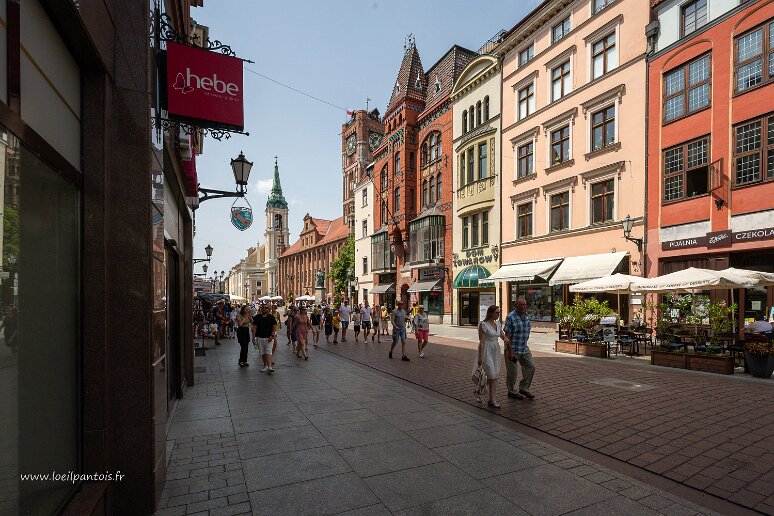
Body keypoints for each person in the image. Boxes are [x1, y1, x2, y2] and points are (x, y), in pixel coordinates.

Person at [503, 297, 536, 400]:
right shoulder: (510, 317)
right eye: (520, 305)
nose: (523, 307)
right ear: (516, 305)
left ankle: (524, 388)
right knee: (512, 372)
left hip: (524, 348)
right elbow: (507, 337)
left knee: (531, 367)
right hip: (512, 349)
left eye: (524, 305)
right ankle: (511, 391)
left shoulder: (527, 316)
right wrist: (510, 352)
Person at [477, 305, 506, 408]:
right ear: (490, 313)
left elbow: (503, 336)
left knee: (494, 375)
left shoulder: (497, 324)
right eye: (497, 313)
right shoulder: (483, 324)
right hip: (486, 350)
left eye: (499, 313)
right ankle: (484, 393)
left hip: (495, 350)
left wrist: (510, 343)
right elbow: (482, 342)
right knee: (491, 374)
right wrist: (480, 357)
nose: (498, 315)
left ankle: (490, 399)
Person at [253, 303, 277, 373]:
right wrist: (253, 337)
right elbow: (254, 327)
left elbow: (274, 327)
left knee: (268, 351)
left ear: (268, 309)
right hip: (259, 337)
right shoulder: (257, 317)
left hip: (268, 337)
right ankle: (265, 365)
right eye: (263, 307)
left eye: (266, 308)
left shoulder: (271, 317)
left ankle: (269, 366)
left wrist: (272, 336)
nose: (264, 309)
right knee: (262, 352)